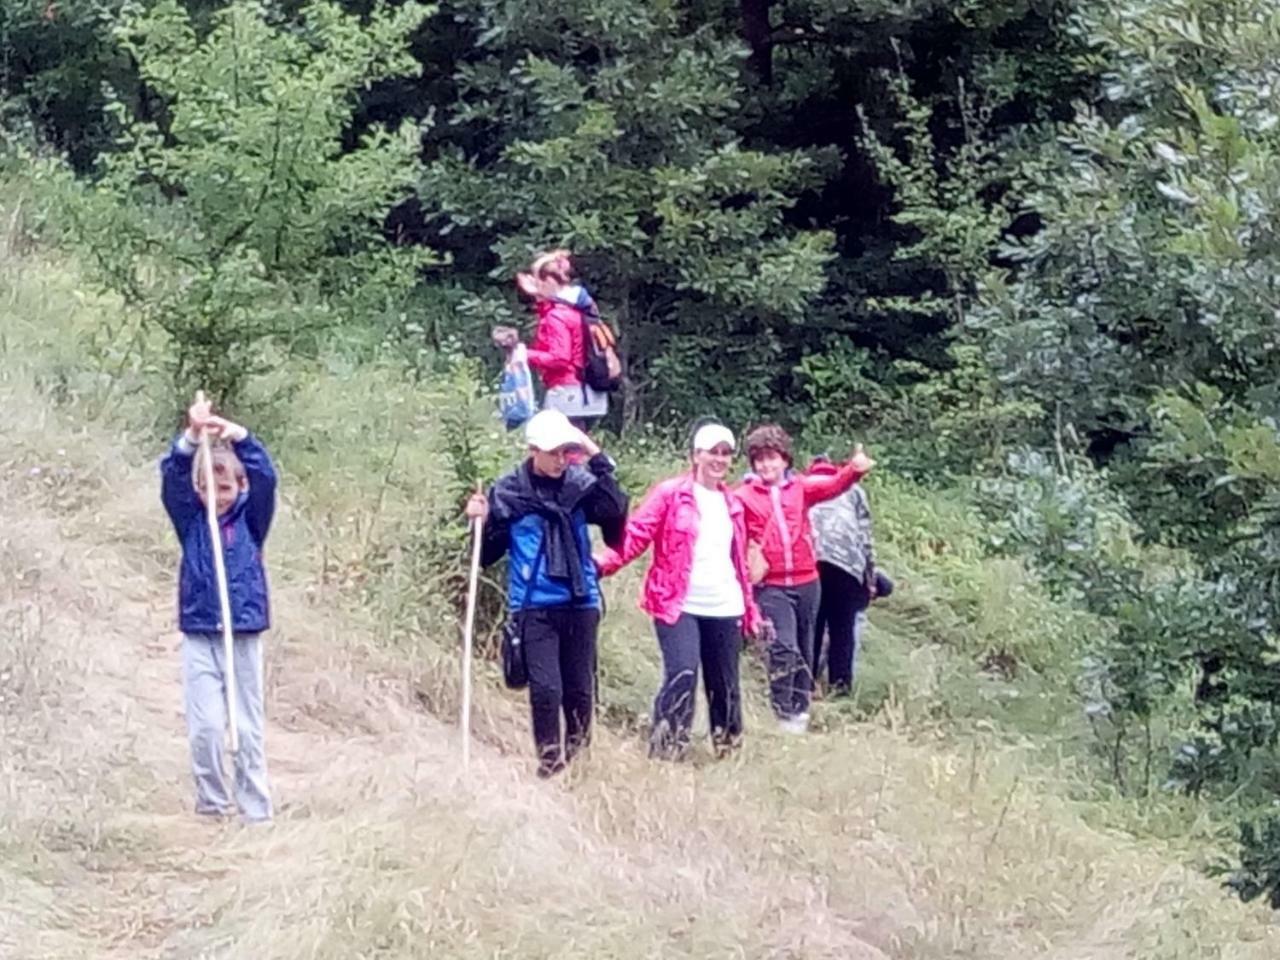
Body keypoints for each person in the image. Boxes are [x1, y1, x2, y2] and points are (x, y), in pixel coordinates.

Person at [464, 409, 628, 777]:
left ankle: (580, 764)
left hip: (580, 601)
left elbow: (616, 508)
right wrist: (480, 520)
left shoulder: (581, 486)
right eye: (553, 452)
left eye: (565, 452)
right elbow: (486, 555)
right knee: (546, 689)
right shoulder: (508, 492)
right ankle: (550, 764)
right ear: (533, 449)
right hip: (533, 605)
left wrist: (592, 451)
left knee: (580, 690)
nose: (560, 460)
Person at [594, 421, 761, 759]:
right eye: (712, 451)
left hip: (725, 604)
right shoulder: (671, 493)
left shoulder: (734, 505)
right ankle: (667, 751)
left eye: (726, 453)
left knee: (725, 685)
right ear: (696, 455)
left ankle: (728, 751)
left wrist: (750, 607)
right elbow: (636, 534)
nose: (719, 459)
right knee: (682, 673)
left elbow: (740, 563)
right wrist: (601, 563)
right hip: (677, 603)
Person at [159, 396, 277, 823]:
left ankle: (255, 811)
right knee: (206, 728)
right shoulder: (190, 520)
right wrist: (192, 437)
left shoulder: (252, 520)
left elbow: (266, 476)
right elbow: (172, 476)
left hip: (242, 632)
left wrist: (239, 438)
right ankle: (212, 804)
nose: (216, 496)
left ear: (239, 488)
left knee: (246, 728)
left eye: (225, 488)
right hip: (200, 632)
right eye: (208, 487)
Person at [733, 425, 873, 733]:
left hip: (808, 581)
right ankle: (783, 712)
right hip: (771, 585)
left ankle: (800, 712)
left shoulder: (801, 489)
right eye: (759, 460)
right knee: (783, 646)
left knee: (805, 647)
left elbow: (835, 485)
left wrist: (855, 470)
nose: (766, 465)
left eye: (772, 458)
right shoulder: (742, 497)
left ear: (785, 460)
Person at [807, 455, 890, 696]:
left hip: (812, 563)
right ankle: (840, 690)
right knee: (842, 630)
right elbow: (865, 537)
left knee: (813, 626)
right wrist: (870, 577)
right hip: (847, 567)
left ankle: (806, 685)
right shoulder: (853, 490)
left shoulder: (801, 486)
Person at [511, 249, 609, 427]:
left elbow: (560, 358)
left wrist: (524, 354)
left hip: (568, 392)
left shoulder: (556, 316)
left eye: (537, 280)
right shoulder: (578, 307)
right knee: (577, 450)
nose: (535, 286)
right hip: (588, 393)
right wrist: (538, 294)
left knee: (560, 451)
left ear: (548, 280)